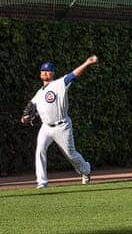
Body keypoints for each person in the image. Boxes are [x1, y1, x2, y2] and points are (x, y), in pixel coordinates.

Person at [22, 56, 98, 188]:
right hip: (46, 128)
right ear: (40, 74)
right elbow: (29, 109)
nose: (45, 72)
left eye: (48, 70)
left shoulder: (59, 84)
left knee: (71, 155)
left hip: (62, 126)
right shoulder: (38, 94)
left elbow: (74, 75)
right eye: (43, 71)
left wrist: (87, 63)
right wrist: (25, 118)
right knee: (40, 150)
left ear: (52, 73)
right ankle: (42, 183)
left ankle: (86, 170)